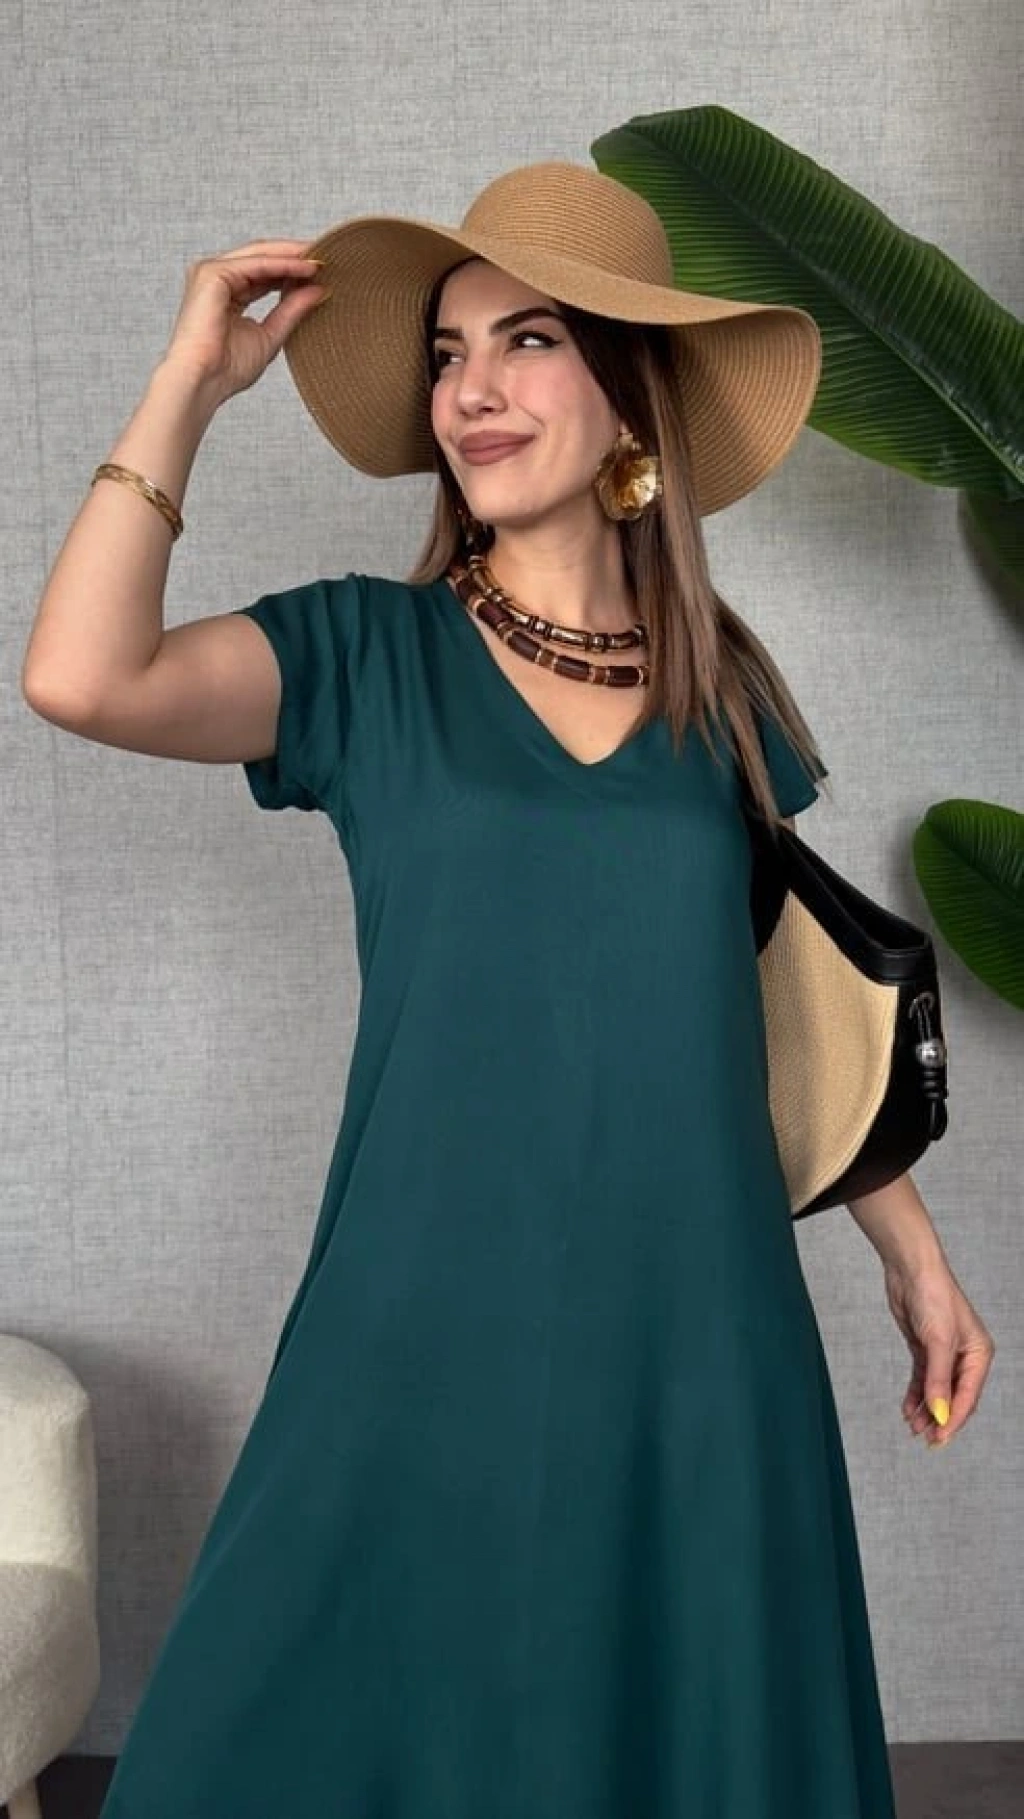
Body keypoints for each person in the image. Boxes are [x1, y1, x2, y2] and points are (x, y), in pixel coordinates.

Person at [22, 160, 993, 1819]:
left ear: (630, 399)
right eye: (447, 352)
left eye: (527, 340)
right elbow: (80, 674)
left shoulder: (722, 690)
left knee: (680, 1736)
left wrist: (915, 1256)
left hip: (702, 1326)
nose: (471, 387)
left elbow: (777, 995)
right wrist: (189, 382)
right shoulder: (362, 657)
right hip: (427, 1298)